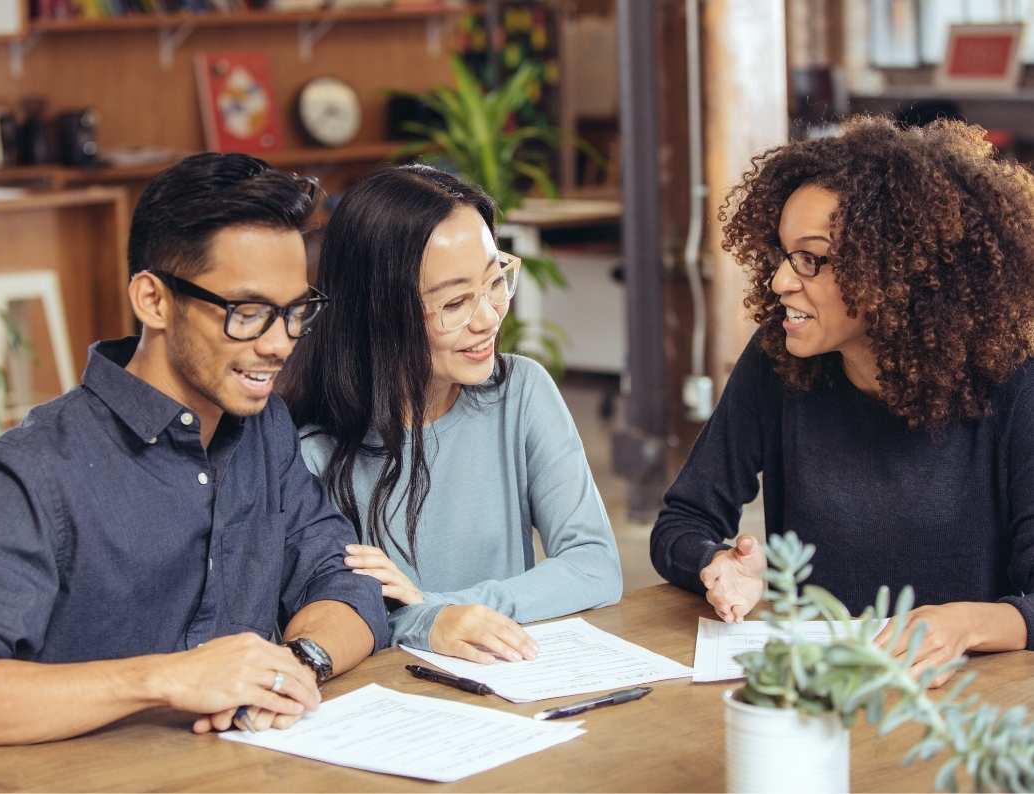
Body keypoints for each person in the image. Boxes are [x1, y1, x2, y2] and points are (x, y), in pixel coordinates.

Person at [0, 153, 388, 750]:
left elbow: (347, 582)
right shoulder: (30, 472)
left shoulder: (266, 430)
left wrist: (294, 664)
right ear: (154, 300)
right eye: (248, 313)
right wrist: (164, 679)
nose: (279, 344)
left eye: (295, 313)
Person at [651, 116, 1034, 687]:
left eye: (812, 258)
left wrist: (963, 625)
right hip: (820, 689)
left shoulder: (1012, 381)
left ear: (895, 271)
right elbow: (682, 520)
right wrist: (718, 564)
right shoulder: (779, 361)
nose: (781, 280)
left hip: (970, 707)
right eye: (782, 254)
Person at [283, 164, 622, 663]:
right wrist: (426, 622)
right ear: (378, 313)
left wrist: (436, 610)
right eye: (456, 302)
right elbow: (321, 620)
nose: (487, 317)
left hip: (511, 683)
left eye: (495, 282)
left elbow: (594, 566)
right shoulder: (308, 451)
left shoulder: (520, 392)